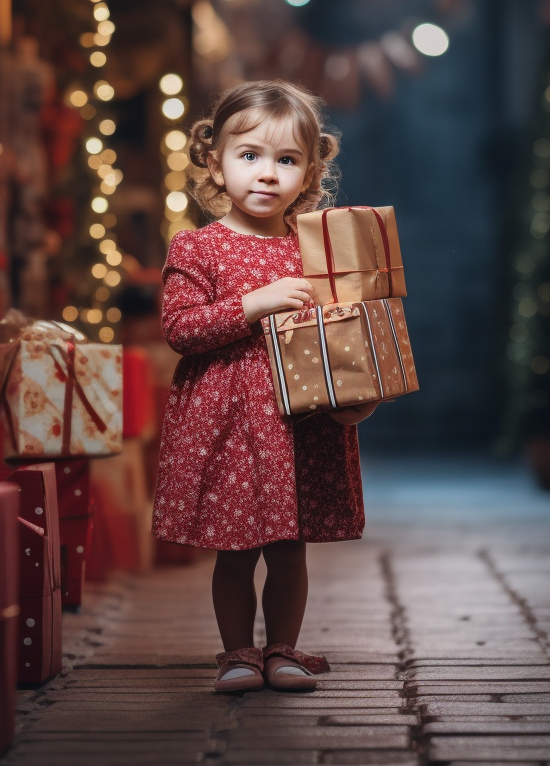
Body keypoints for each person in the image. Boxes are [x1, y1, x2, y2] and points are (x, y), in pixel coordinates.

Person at [151, 79, 376, 693]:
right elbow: (180, 328)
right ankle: (238, 654)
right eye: (248, 155)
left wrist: (356, 393)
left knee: (288, 547)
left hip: (297, 420)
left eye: (286, 159)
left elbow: (342, 336)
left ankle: (282, 651)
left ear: (309, 172)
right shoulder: (197, 247)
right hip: (227, 419)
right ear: (215, 162)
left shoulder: (317, 252)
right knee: (236, 547)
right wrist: (255, 302)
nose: (267, 174)